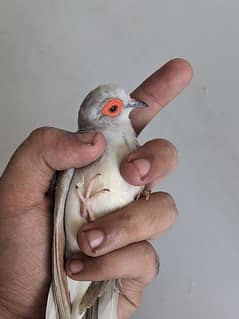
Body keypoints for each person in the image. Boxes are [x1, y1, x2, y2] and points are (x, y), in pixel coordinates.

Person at [0, 58, 192, 319]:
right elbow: (60, 224)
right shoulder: (82, 154)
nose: (130, 107)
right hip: (68, 262)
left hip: (87, 269)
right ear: (99, 117)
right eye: (115, 108)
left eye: (126, 103)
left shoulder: (134, 152)